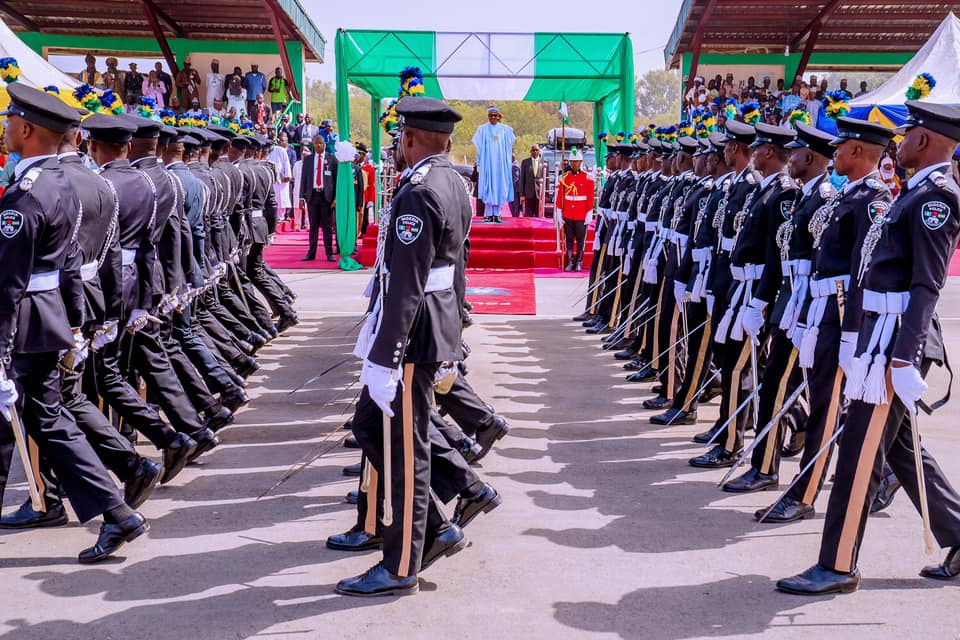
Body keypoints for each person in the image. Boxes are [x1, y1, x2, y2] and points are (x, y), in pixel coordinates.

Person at [778, 102, 960, 595]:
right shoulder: (915, 191)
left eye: (904, 136)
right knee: (900, 448)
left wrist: (903, 356)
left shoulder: (933, 197)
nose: (896, 145)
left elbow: (926, 284)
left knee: (859, 452)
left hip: (894, 344)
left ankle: (837, 565)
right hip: (879, 338)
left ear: (923, 141)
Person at [0, 83, 149, 561]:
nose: (5, 129)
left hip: (26, 322)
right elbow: (70, 262)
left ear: (25, 129)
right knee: (47, 417)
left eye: (8, 122)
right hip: (52, 319)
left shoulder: (25, 196)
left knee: (43, 418)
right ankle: (116, 511)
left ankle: (116, 511)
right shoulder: (64, 184)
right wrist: (77, 323)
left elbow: (7, 286)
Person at [336, 95, 472, 597]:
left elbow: (410, 283)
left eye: (398, 137)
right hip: (429, 329)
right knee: (371, 426)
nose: (396, 145)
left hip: (412, 338)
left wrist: (385, 356)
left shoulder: (420, 192)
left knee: (405, 451)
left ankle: (401, 565)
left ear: (411, 138)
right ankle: (436, 525)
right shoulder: (452, 182)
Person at [472, 105, 516, 223]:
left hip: (500, 165)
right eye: (490, 115)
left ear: (499, 117)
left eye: (495, 115)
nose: (492, 117)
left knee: (499, 187)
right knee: (488, 186)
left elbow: (511, 141)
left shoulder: (505, 130)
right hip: (488, 164)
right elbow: (477, 144)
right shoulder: (482, 129)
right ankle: (488, 214)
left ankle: (497, 214)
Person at [555, 146, 595, 271]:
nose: (574, 164)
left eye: (577, 161)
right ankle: (570, 261)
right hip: (568, 213)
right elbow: (561, 196)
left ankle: (579, 261)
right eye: (572, 162)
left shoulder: (588, 178)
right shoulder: (565, 177)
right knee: (569, 239)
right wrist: (559, 211)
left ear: (581, 162)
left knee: (581, 239)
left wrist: (589, 213)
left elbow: (590, 197)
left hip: (581, 213)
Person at [298, 135, 337, 261]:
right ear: (313, 145)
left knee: (327, 226)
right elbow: (303, 179)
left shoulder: (332, 159)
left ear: (324, 144)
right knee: (313, 226)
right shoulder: (308, 160)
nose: (318, 145)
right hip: (312, 196)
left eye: (320, 143)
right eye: (316, 143)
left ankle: (329, 253)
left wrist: (335, 198)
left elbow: (335, 180)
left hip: (326, 197)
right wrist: (301, 198)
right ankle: (311, 253)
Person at [519, 145, 543, 217]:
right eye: (533, 150)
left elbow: (545, 180)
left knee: (538, 216)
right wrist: (522, 194)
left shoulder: (544, 163)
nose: (535, 151)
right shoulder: (525, 162)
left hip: (539, 194)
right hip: (528, 194)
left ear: (539, 151)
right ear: (530, 152)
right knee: (528, 216)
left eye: (536, 150)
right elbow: (522, 179)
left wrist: (546, 195)